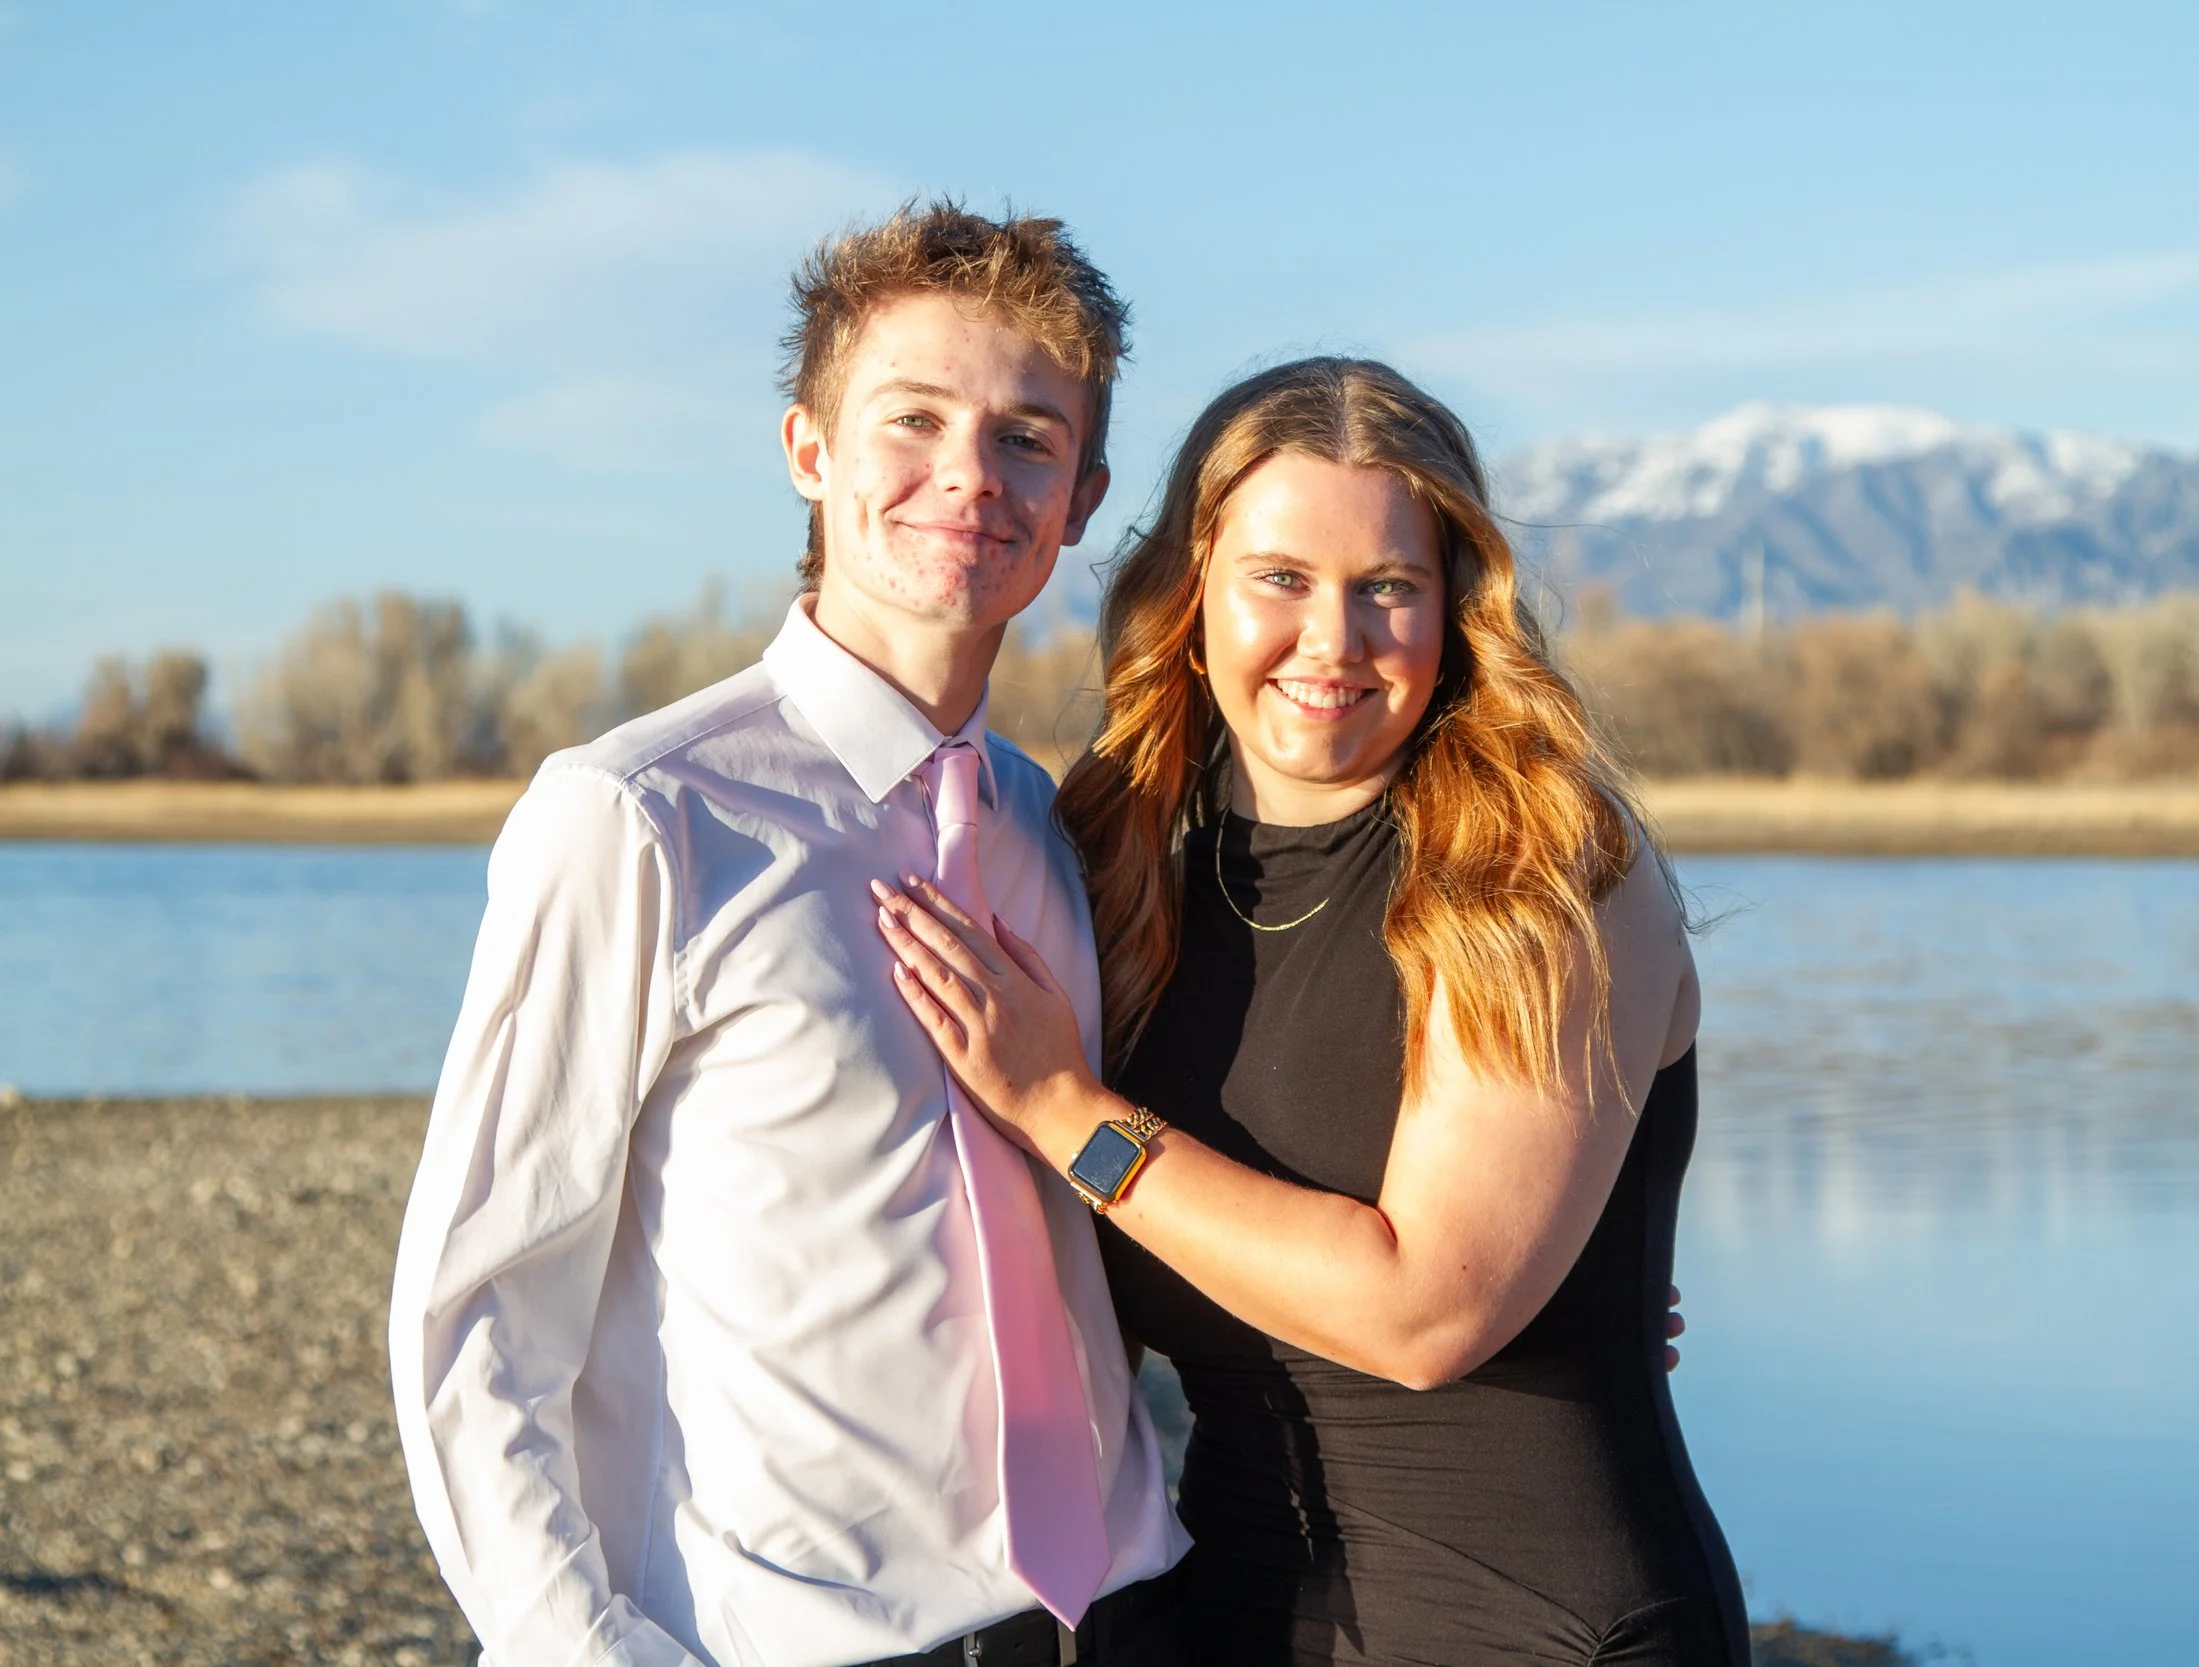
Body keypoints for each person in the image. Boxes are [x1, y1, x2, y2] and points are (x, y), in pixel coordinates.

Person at [387, 203, 1186, 1667]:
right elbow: (478, 1314)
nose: (970, 476)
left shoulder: (1048, 832)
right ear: (810, 452)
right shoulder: (639, 817)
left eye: (1026, 436)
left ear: (1080, 497)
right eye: (915, 420)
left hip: (1109, 1616)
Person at [871, 357, 1748, 1666]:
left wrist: (1072, 1112)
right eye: (1280, 579)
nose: (1332, 642)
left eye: (1387, 587)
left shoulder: (1542, 866)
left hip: (1541, 1629)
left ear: (1454, 604)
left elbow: (1424, 1315)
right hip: (1221, 1609)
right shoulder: (1117, 851)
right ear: (1192, 593)